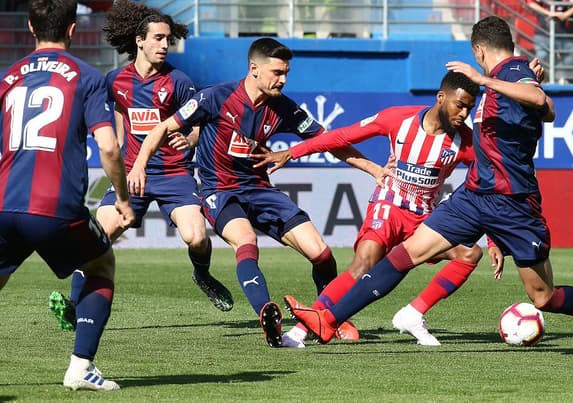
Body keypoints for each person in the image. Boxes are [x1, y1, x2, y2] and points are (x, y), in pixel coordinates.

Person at [285, 16, 573, 356]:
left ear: (479, 50)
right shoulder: (505, 79)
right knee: (406, 254)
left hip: (514, 203)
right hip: (474, 197)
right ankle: (327, 320)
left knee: (542, 297)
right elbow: (535, 105)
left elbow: (543, 104)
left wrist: (486, 78)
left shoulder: (511, 70)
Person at [126, 37, 385, 347]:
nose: (283, 80)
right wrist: (140, 164)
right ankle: (267, 315)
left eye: (286, 72)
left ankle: (328, 316)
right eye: (277, 72)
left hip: (259, 188)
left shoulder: (283, 108)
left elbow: (329, 141)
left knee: (322, 254)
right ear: (254, 69)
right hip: (219, 190)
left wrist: (375, 170)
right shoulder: (215, 97)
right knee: (246, 241)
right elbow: (162, 128)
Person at [252, 71, 504, 348]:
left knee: (469, 253)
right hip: (389, 204)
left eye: (470, 107)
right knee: (365, 262)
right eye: (460, 105)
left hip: (425, 218)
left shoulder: (466, 142)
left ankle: (414, 313)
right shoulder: (399, 119)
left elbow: (486, 184)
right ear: (441, 98)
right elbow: (341, 136)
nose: (464, 113)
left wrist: (492, 239)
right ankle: (299, 332)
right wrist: (292, 152)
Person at [48, 0, 233, 332]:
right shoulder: (115, 80)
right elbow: (116, 115)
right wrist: (121, 151)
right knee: (96, 237)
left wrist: (189, 140)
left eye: (167, 39)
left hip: (175, 174)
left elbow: (197, 123)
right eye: (158, 38)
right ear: (139, 41)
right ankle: (74, 307)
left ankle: (202, 273)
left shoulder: (179, 81)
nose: (165, 45)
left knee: (196, 238)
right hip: (133, 175)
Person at [0, 0, 135, 390]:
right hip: (55, 207)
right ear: (73, 30)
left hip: (5, 203)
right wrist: (122, 199)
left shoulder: (8, 77)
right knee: (100, 266)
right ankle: (80, 367)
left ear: (30, 27)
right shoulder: (87, 76)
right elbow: (109, 148)